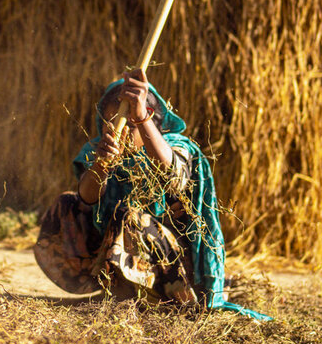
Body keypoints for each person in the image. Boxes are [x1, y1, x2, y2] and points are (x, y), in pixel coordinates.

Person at [34, 69, 270, 320]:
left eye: (128, 124)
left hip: (175, 271)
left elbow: (175, 176)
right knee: (66, 203)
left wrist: (140, 120)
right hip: (110, 258)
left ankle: (157, 298)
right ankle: (116, 289)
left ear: (152, 120)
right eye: (112, 122)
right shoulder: (97, 150)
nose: (120, 131)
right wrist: (101, 165)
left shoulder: (176, 145)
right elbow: (86, 199)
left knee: (132, 218)